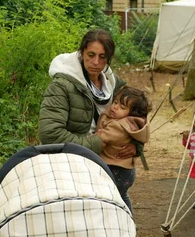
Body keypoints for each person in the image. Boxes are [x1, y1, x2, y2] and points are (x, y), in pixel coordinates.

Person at [38, 28, 137, 159]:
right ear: (82, 53)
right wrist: (92, 145)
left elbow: (137, 114)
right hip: (70, 159)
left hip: (107, 157)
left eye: (102, 57)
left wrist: (135, 144)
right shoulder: (61, 85)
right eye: (91, 55)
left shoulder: (112, 83)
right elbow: (50, 134)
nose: (96, 62)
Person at [95, 86, 151, 214]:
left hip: (116, 170)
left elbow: (101, 137)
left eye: (122, 107)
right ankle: (129, 220)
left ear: (132, 114)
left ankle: (123, 221)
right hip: (126, 170)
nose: (115, 107)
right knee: (122, 196)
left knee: (112, 199)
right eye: (115, 102)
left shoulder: (119, 126)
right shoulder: (130, 123)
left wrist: (93, 136)